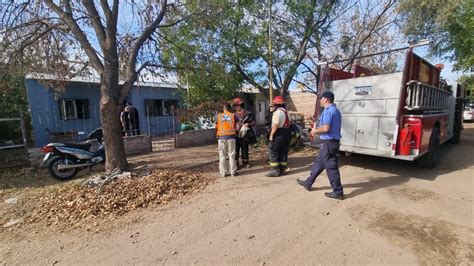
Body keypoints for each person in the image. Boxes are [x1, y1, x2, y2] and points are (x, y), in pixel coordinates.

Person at [296, 91, 344, 200]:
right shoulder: (336, 110)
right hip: (331, 143)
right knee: (319, 163)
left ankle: (338, 192)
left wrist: (315, 131)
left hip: (329, 143)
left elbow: (326, 128)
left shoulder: (328, 111)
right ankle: (308, 182)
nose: (320, 101)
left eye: (321, 99)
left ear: (326, 99)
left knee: (331, 168)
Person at [265, 96, 291, 177]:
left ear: (275, 105)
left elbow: (275, 125)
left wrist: (271, 135)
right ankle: (283, 169)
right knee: (283, 152)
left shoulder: (277, 113)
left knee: (273, 151)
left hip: (279, 133)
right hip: (287, 132)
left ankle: (275, 170)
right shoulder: (287, 112)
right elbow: (291, 122)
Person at [216, 103, 239, 177]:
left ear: (223, 108)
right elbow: (238, 126)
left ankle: (223, 173)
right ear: (229, 108)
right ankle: (233, 172)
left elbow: (216, 126)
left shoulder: (219, 116)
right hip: (231, 137)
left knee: (222, 156)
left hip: (221, 138)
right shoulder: (233, 115)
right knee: (231, 155)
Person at [233, 97, 255, 168]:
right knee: (236, 149)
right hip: (236, 135)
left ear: (241, 105)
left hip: (245, 135)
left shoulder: (248, 113)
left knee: (245, 148)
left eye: (237, 106)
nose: (236, 107)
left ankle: (245, 162)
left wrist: (248, 124)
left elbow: (253, 122)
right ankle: (236, 163)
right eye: (235, 106)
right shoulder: (233, 115)